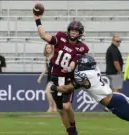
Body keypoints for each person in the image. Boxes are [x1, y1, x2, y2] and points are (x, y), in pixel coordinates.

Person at [50, 55, 129, 135]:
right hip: (115, 97)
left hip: (115, 102)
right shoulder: (94, 71)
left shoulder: (84, 75)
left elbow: (68, 88)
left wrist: (55, 87)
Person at [33, 7, 89, 135]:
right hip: (55, 78)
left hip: (68, 79)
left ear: (80, 33)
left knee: (66, 106)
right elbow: (43, 35)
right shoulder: (60, 37)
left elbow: (75, 61)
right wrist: (37, 19)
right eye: (72, 30)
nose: (74, 32)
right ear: (68, 31)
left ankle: (73, 126)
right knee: (60, 110)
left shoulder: (82, 47)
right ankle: (71, 132)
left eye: (76, 31)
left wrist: (70, 68)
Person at [37, 44, 57, 112]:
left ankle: (51, 107)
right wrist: (40, 77)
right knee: (51, 92)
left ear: (52, 49)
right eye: (47, 48)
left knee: (48, 91)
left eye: (49, 48)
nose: (48, 49)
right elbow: (46, 69)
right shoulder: (46, 58)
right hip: (49, 76)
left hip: (54, 76)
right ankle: (53, 108)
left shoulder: (54, 57)